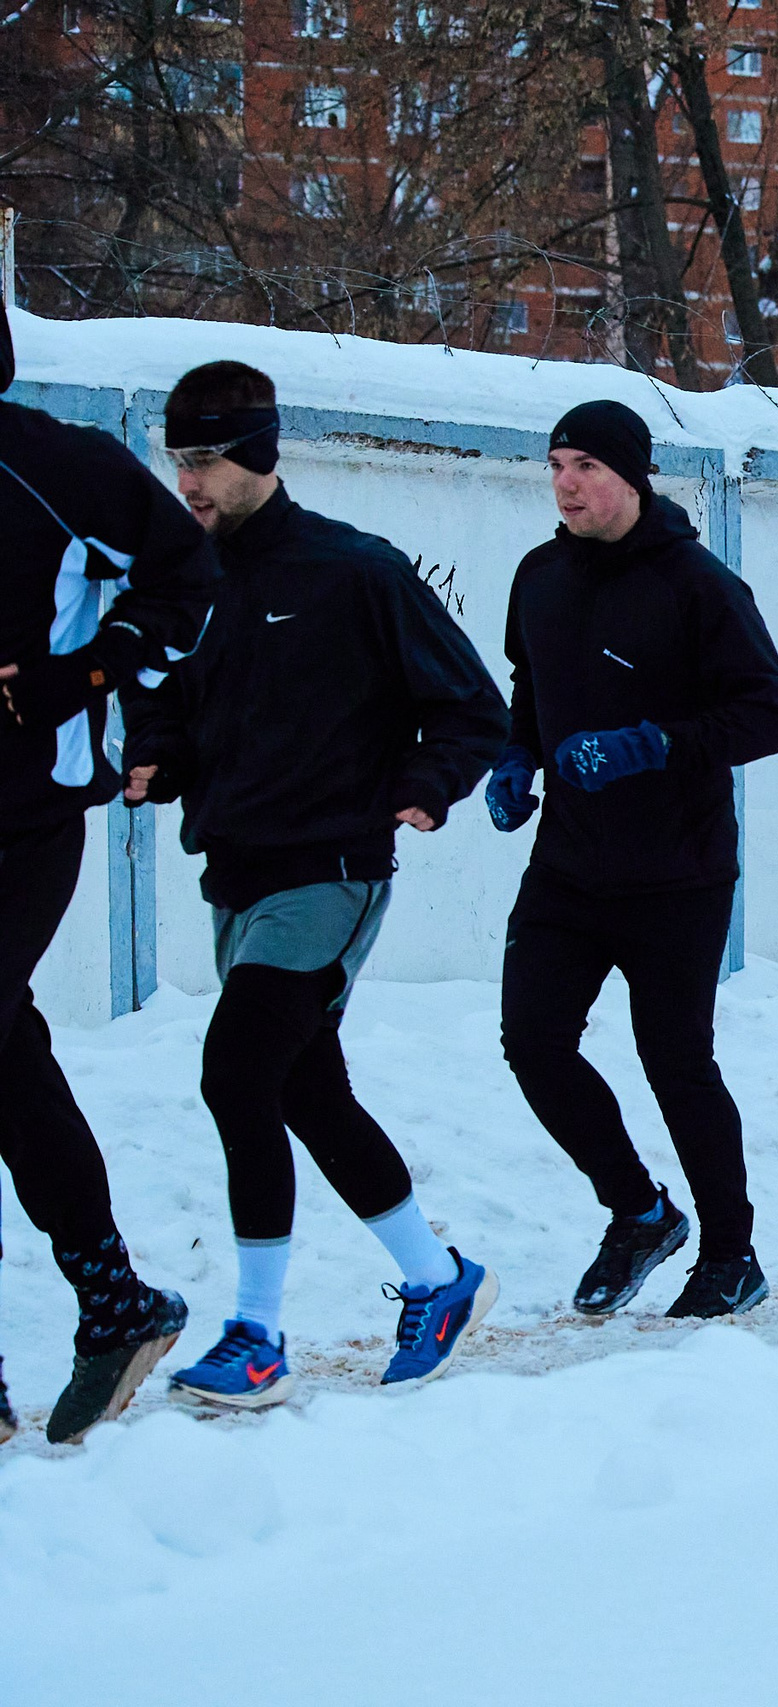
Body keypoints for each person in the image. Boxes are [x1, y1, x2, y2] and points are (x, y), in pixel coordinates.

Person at [120, 361, 507, 1410]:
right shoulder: (185, 582)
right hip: (236, 872)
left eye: (206, 458)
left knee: (237, 1072)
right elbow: (167, 703)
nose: (188, 480)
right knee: (306, 1090)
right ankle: (437, 1277)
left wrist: (426, 784)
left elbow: (474, 709)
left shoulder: (355, 571)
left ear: (258, 453)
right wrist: (157, 755)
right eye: (178, 458)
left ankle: (257, 1336)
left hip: (332, 869)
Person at [489, 401, 778, 1319]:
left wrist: (653, 743)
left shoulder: (698, 585)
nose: (566, 483)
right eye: (555, 465)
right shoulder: (539, 575)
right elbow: (530, 683)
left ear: (632, 475)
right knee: (533, 1043)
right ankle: (638, 1211)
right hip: (568, 866)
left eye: (585, 465)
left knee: (676, 1060)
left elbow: (772, 715)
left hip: (678, 871)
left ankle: (732, 1254)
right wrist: (516, 756)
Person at [0, 303, 215, 1444]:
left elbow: (188, 580)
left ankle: (110, 1300)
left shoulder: (54, 464)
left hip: (22, 814)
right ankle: (114, 1301)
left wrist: (87, 673)